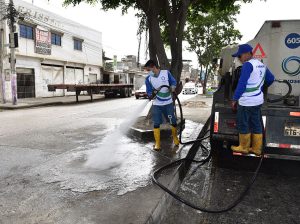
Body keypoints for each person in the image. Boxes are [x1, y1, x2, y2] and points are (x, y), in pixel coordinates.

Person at [231, 44, 275, 156]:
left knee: (243, 123)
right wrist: (259, 87)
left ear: (246, 54)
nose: (239, 58)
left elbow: (242, 84)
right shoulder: (261, 65)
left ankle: (244, 147)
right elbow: (271, 79)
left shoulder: (248, 65)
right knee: (256, 123)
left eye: (240, 56)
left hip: (246, 101)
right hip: (257, 101)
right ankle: (256, 149)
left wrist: (235, 98)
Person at [144, 60, 180, 151]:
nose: (148, 72)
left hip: (168, 103)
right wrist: (150, 94)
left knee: (172, 120)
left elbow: (173, 81)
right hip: (157, 104)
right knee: (156, 123)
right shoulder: (148, 78)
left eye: (149, 70)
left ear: (154, 67)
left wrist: (172, 87)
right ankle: (157, 143)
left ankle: (175, 138)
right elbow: (148, 90)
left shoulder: (166, 73)